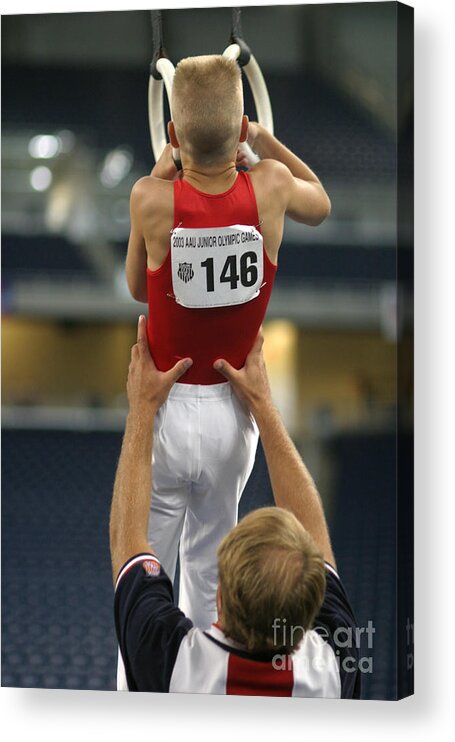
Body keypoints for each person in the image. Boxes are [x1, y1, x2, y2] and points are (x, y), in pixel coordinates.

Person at [125, 54, 331, 631]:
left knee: (143, 570)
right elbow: (321, 199)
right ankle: (210, 688)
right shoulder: (270, 185)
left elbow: (138, 286)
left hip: (163, 406)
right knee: (211, 572)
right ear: (241, 128)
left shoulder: (150, 199)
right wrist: (265, 141)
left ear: (172, 135)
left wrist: (165, 174)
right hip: (231, 407)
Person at [110, 316, 360, 698]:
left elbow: (127, 540)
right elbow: (126, 544)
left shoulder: (175, 668)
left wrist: (143, 408)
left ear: (220, 599)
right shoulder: (331, 675)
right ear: (309, 611)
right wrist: (262, 405)